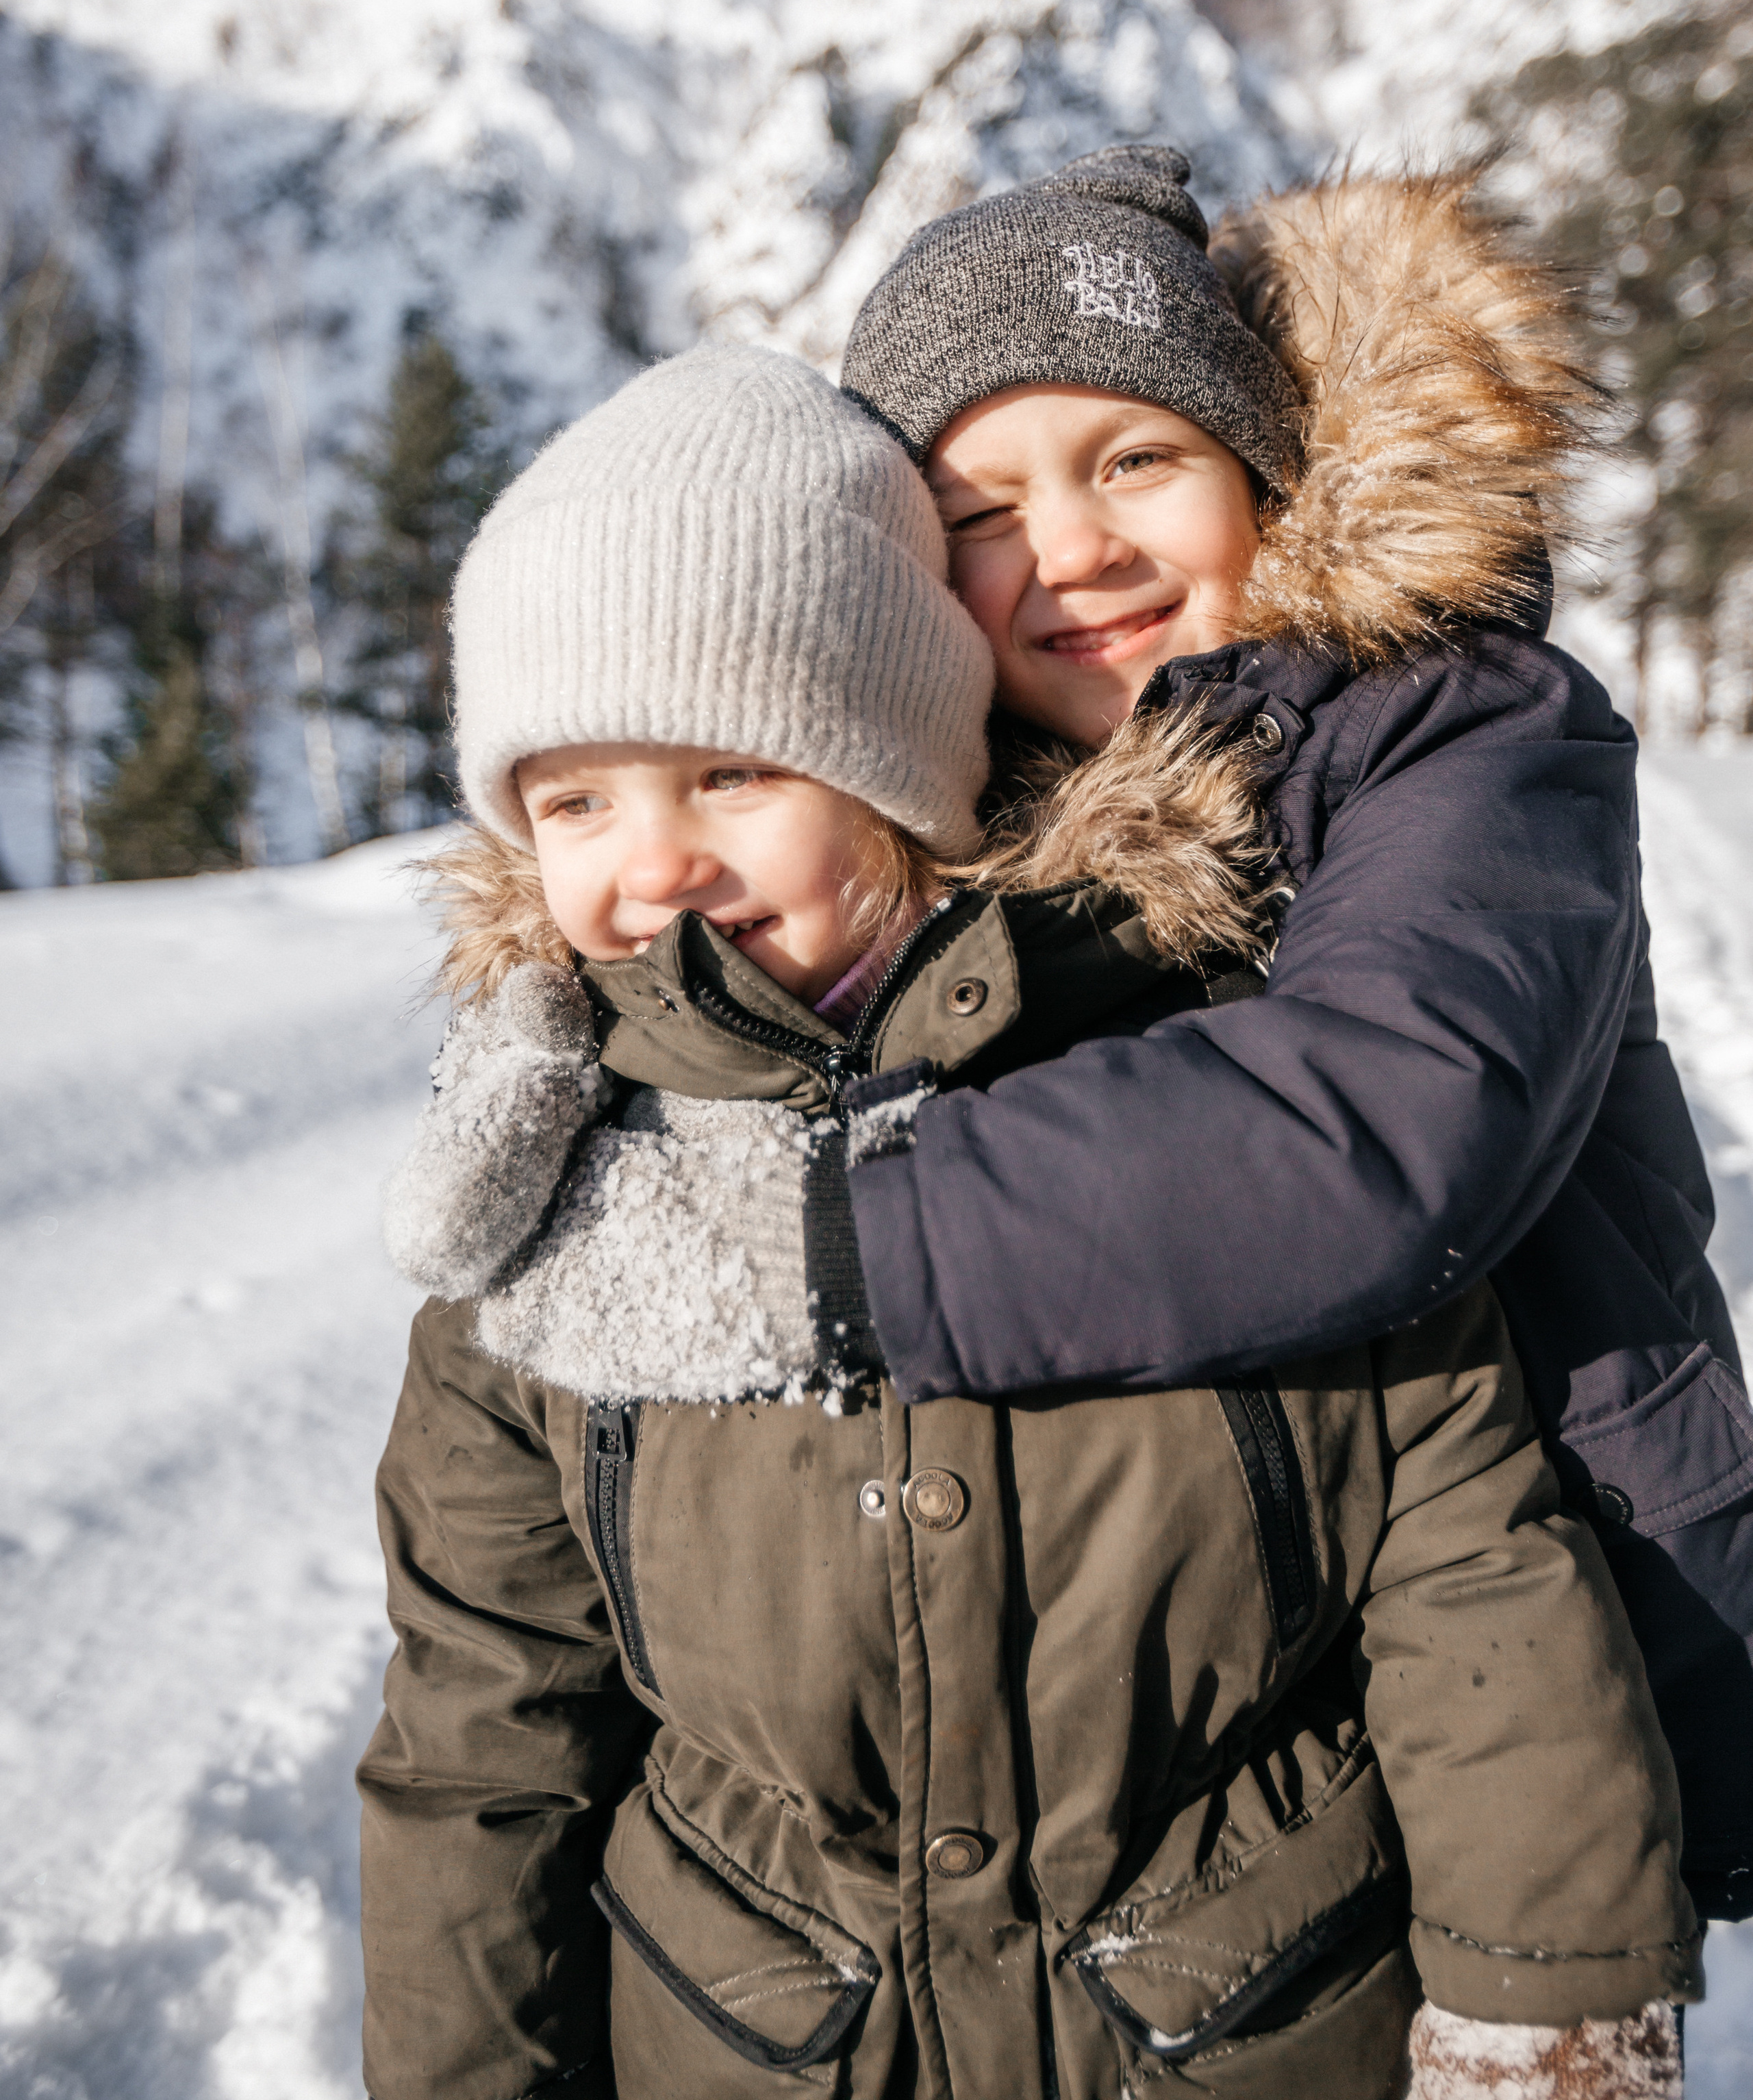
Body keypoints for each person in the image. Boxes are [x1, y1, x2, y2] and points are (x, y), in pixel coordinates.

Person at [359, 345, 1696, 2100]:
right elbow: (485, 1736)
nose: (654, 862)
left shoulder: (1189, 1090)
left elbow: (1466, 1567)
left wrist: (1540, 2014)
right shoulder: (547, 1201)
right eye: (574, 800)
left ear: (901, 769)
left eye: (732, 775)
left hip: (1249, 2023)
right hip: (754, 2037)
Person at [836, 144, 1753, 1928]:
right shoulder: (952, 817)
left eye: (1137, 461)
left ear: (1264, 470)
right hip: (1188, 1698)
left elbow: (1380, 1128)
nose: (1074, 546)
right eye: (981, 512)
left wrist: (808, 1240)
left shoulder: (1464, 729)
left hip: (1536, 1630)